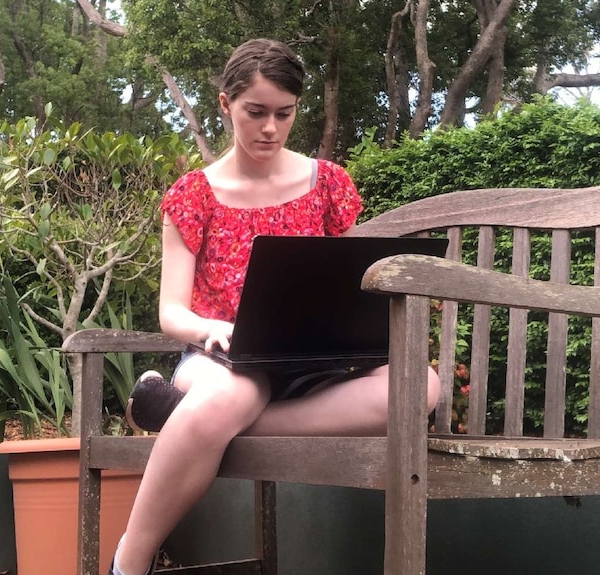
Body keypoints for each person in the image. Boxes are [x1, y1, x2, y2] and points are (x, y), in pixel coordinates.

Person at [108, 38, 441, 575]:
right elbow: (172, 313)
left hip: (312, 364)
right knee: (229, 397)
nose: (269, 128)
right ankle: (128, 562)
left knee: (421, 385)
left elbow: (352, 283)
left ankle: (179, 417)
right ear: (225, 104)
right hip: (222, 361)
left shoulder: (328, 183)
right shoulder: (193, 195)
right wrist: (213, 327)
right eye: (255, 112)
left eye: (283, 114)